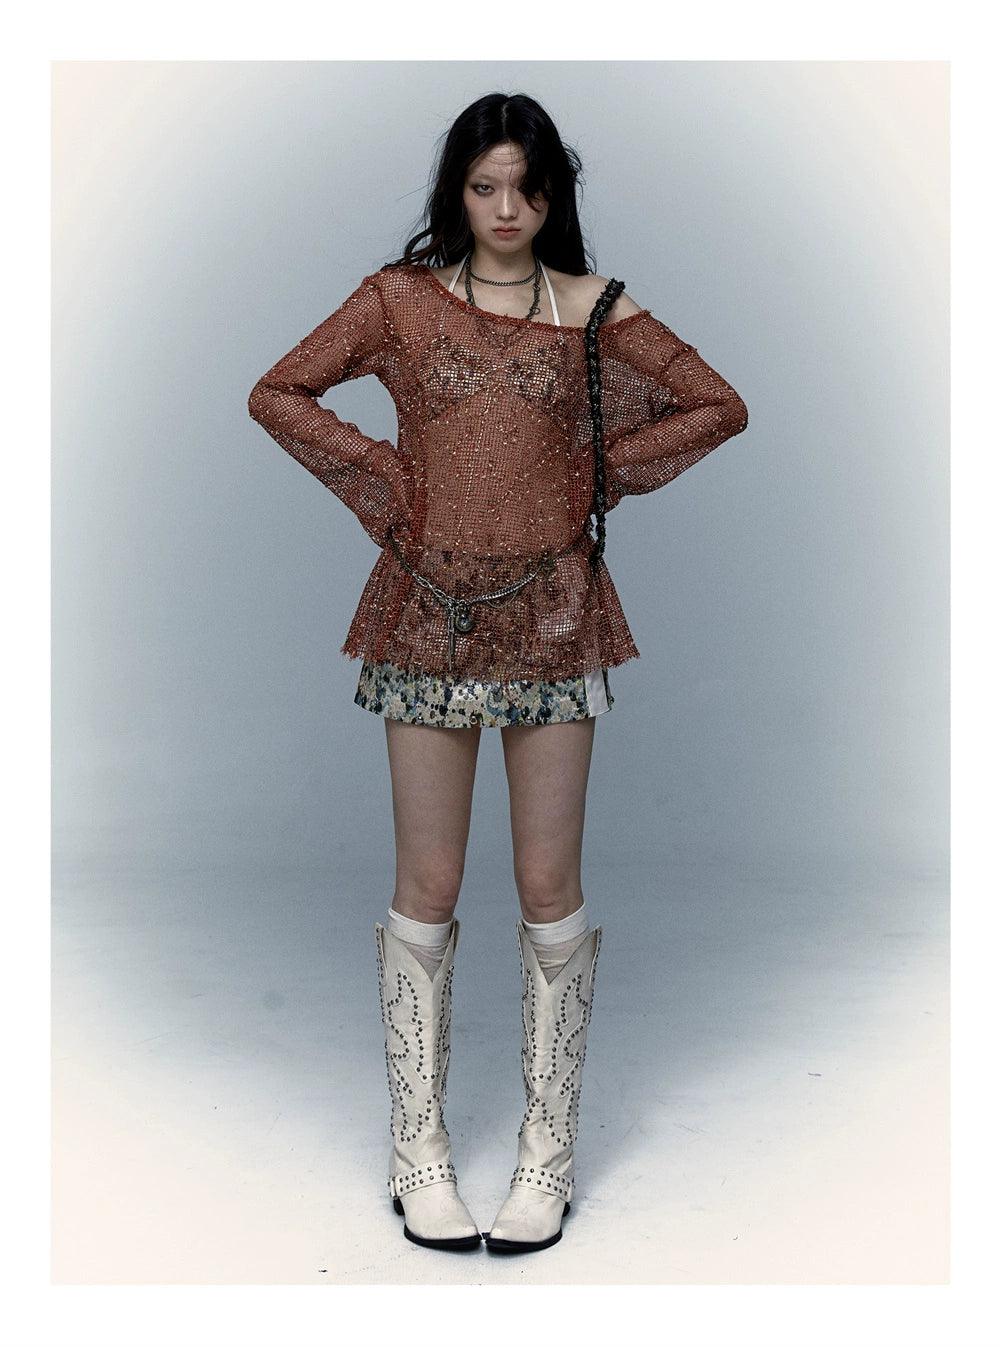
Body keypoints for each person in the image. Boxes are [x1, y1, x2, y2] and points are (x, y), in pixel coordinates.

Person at [247, 91, 748, 1256]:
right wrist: (388, 479)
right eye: (485, 187)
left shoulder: (594, 308)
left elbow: (716, 406)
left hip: (558, 617)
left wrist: (590, 473)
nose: (507, 209)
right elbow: (279, 391)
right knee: (426, 881)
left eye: (526, 187)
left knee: (543, 881)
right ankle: (417, 1149)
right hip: (425, 613)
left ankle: (545, 1151)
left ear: (553, 193)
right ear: (457, 193)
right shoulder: (399, 301)